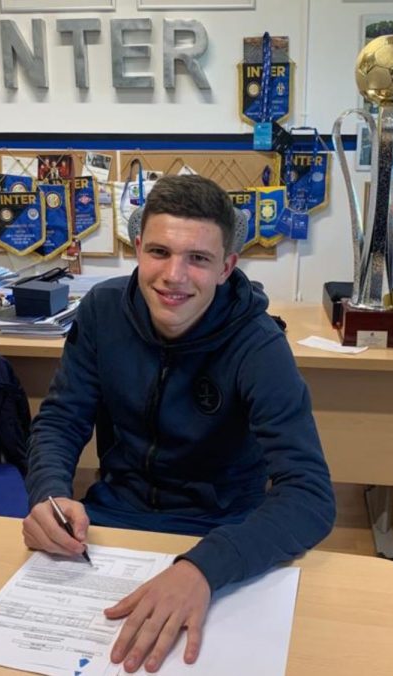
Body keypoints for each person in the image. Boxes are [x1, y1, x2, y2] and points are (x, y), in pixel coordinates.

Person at [22, 174, 336, 673]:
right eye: (159, 252)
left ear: (227, 268)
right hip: (111, 526)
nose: (174, 275)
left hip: (222, 535)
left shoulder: (259, 345)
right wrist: (49, 494)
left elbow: (310, 496)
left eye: (198, 259)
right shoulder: (102, 312)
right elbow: (60, 420)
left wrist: (203, 568)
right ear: (138, 250)